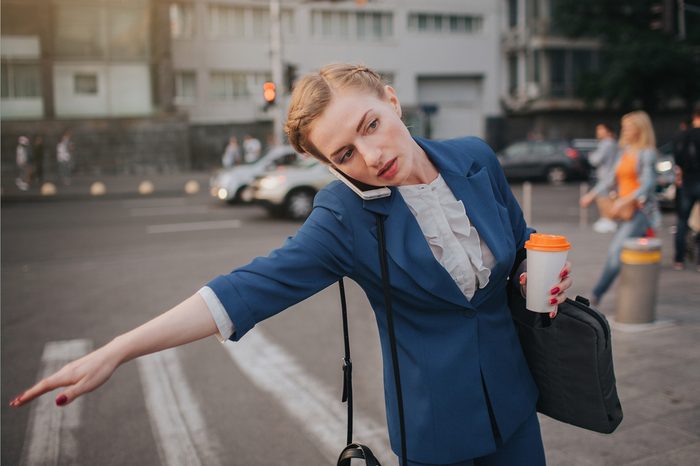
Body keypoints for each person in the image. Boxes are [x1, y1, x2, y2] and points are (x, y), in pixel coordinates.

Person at [10, 64, 573, 466]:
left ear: (393, 102)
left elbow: (521, 243)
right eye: (345, 154)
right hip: (435, 429)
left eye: (370, 124)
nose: (371, 156)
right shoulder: (346, 214)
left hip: (515, 402)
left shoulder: (474, 157)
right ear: (330, 165)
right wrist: (118, 349)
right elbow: (246, 289)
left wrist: (531, 274)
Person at [580, 110, 660, 305]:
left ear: (640, 130)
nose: (624, 131)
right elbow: (610, 178)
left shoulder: (646, 153)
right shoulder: (626, 152)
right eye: (624, 127)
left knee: (616, 252)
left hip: (640, 212)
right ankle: (635, 299)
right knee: (635, 257)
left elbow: (648, 185)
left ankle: (596, 295)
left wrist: (624, 201)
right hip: (627, 212)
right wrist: (592, 194)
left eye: (629, 127)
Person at [673, 108, 700, 271]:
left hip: (687, 182)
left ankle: (679, 259)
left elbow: (678, 160)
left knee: (682, 221)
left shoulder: (683, 135)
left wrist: (680, 176)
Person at [588, 123, 619, 234]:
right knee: (605, 197)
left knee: (603, 198)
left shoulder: (606, 143)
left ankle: (607, 220)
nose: (598, 132)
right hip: (609, 175)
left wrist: (591, 155)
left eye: (600, 129)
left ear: (607, 131)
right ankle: (607, 220)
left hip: (606, 176)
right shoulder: (613, 143)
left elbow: (595, 159)